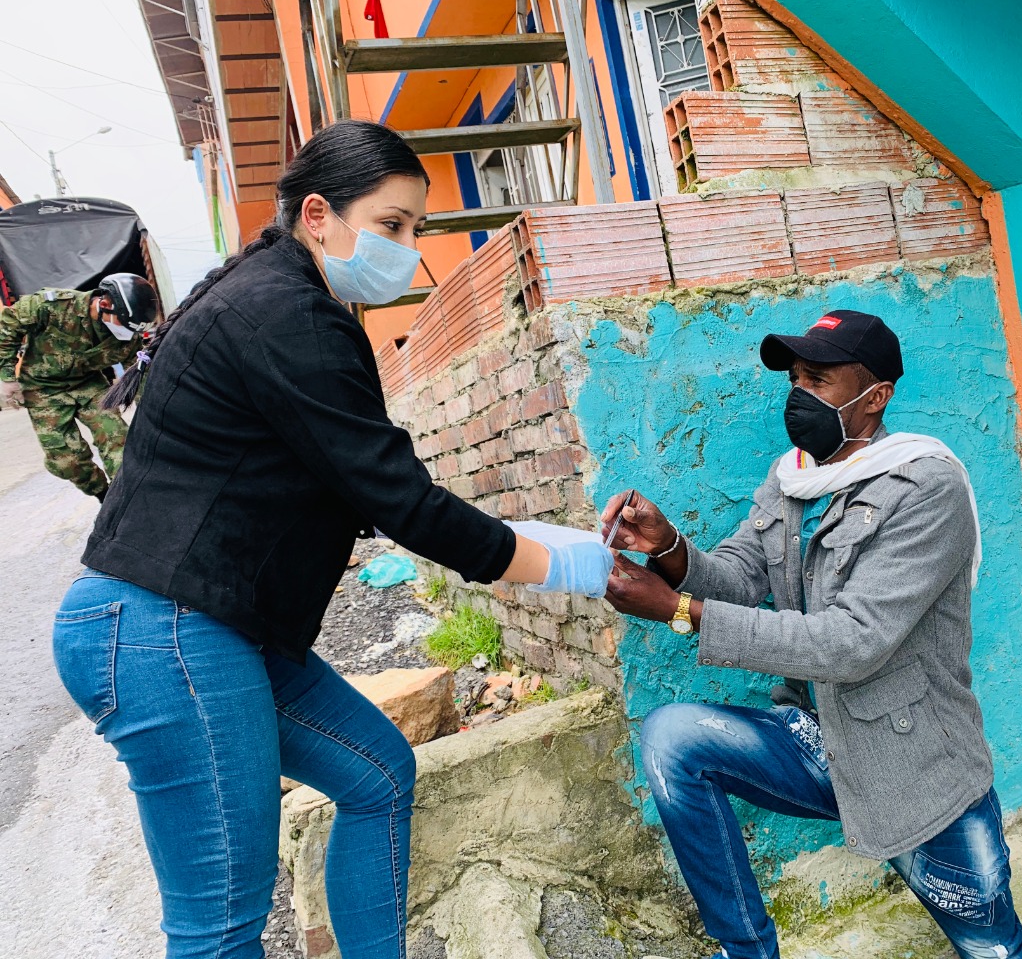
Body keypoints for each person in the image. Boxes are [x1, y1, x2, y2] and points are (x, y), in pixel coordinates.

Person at [51, 119, 612, 959]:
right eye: (392, 225)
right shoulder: (288, 313)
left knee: (377, 774)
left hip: (211, 630)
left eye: (417, 228)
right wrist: (563, 561)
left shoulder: (280, 299)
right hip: (165, 633)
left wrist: (518, 537)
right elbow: (398, 498)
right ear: (318, 214)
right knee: (220, 930)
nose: (408, 247)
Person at [601, 310, 1022, 959]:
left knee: (993, 949)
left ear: (875, 397)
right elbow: (741, 578)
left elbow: (851, 642)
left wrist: (677, 611)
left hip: (910, 763)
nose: (799, 395)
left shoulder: (925, 487)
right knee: (673, 739)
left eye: (820, 381)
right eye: (795, 378)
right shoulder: (791, 478)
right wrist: (668, 548)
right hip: (814, 736)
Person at [0, 273, 155, 501]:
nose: (128, 334)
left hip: (89, 384)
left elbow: (138, 374)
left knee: (116, 438)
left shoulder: (126, 336)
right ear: (104, 304)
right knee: (66, 460)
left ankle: (126, 500)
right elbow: (9, 323)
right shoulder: (53, 305)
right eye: (125, 325)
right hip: (43, 389)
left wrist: (153, 413)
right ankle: (104, 494)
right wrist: (6, 375)